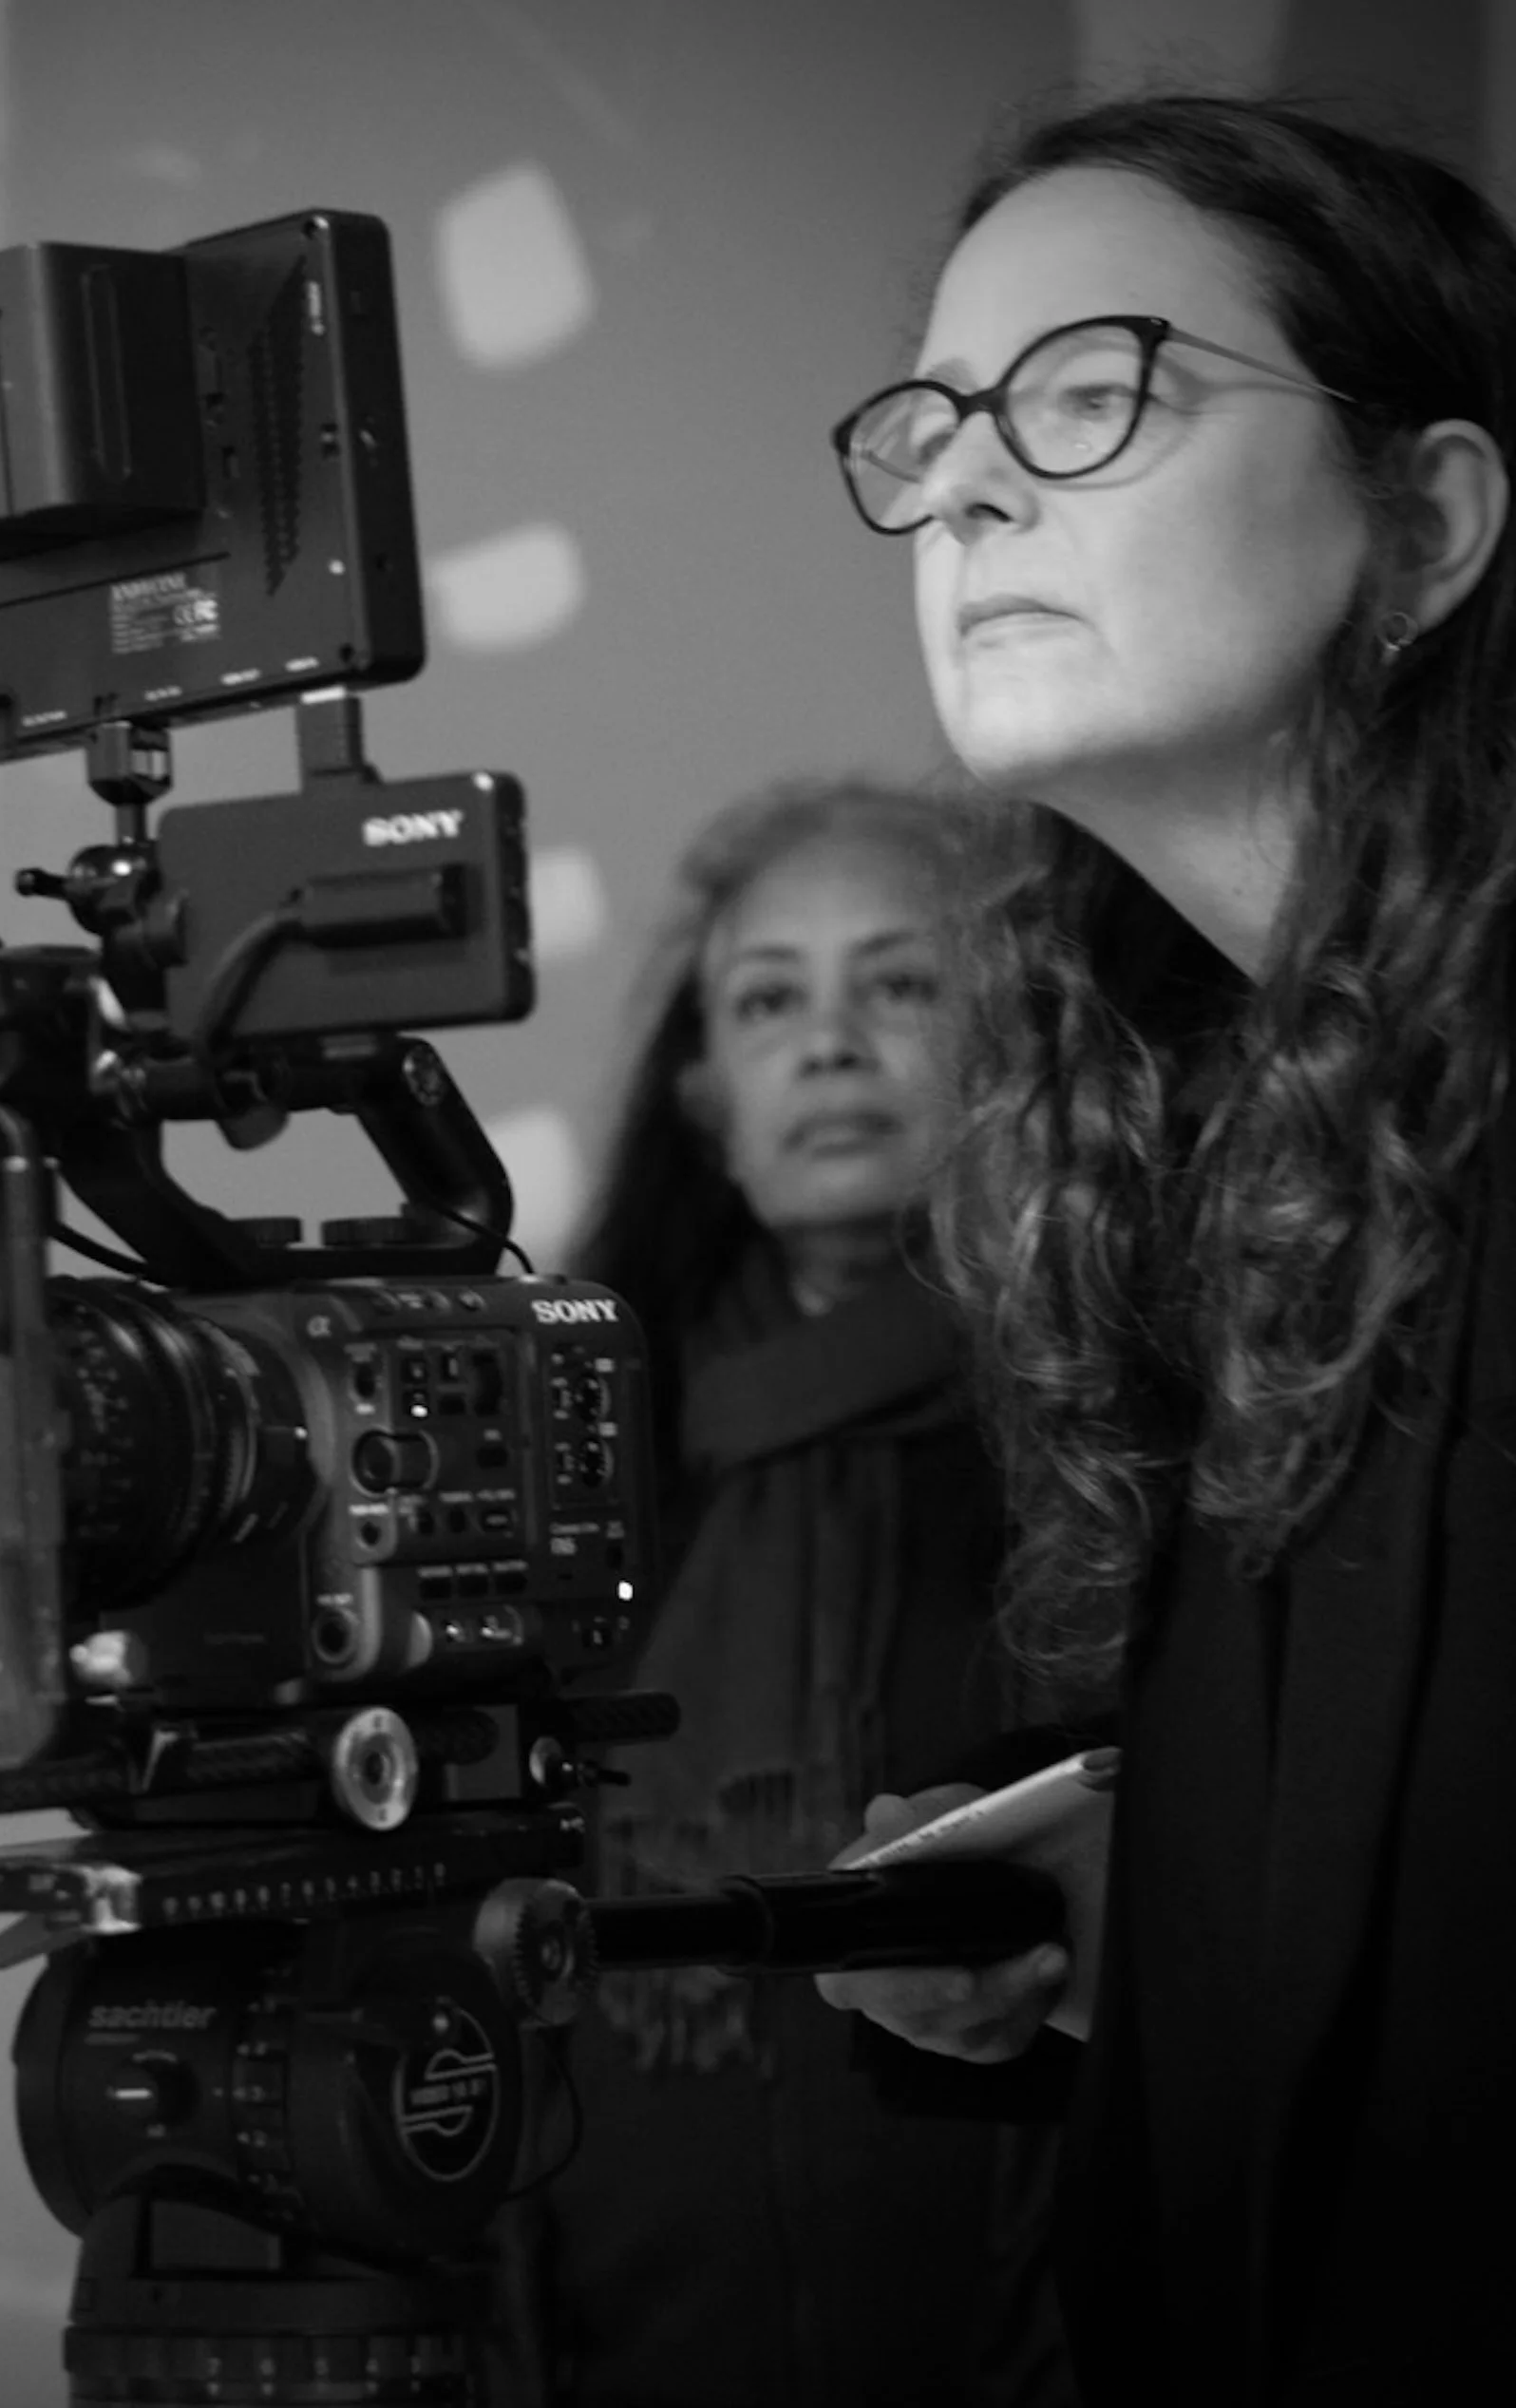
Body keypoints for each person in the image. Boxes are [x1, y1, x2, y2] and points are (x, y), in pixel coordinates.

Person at [813, 91, 1516, 2403]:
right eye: (928, 429)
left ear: (1419, 518)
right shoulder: (1205, 1163)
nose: (966, 488)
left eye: (1088, 391)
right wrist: (1126, 1921)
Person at [481, 781, 1081, 2408]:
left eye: (899, 983)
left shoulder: (1124, 1444)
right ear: (708, 1098)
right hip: (625, 2341)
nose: (830, 1042)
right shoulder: (564, 1477)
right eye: (769, 1000)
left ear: (1021, 1035)